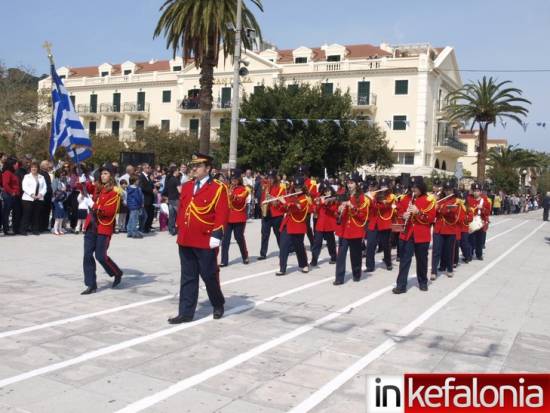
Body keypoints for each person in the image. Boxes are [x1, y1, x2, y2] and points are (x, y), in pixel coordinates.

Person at [168, 152, 229, 324]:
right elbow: (183, 209)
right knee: (188, 276)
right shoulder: (187, 186)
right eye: (193, 165)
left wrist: (217, 234)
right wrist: (179, 229)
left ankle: (218, 302)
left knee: (209, 275)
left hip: (205, 239)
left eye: (198, 166)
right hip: (186, 238)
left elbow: (222, 212)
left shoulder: (218, 187)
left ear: (208, 169)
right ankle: (185, 313)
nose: (194, 168)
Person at [81, 165, 123, 294]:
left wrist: (93, 205)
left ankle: (117, 272)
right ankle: (91, 284)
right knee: (87, 255)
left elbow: (109, 212)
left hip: (103, 227)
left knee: (100, 256)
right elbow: (85, 188)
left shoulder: (115, 192)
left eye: (105, 173)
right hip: (91, 226)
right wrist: (82, 180)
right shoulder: (98, 188)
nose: (103, 176)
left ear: (111, 176)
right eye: (102, 174)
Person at [393, 176, 437, 294]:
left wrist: (419, 212)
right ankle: (401, 285)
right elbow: (397, 212)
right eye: (412, 187)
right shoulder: (404, 199)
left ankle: (423, 282)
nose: (413, 189)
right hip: (407, 234)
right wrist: (403, 215)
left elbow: (431, 218)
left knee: (422, 260)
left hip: (422, 234)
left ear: (421, 187)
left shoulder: (429, 200)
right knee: (405, 260)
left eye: (416, 187)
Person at [333, 172, 370, 285]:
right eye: (348, 183)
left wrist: (352, 207)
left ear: (357, 184)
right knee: (340, 255)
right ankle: (339, 278)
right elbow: (336, 212)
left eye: (352, 183)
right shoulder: (344, 195)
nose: (349, 185)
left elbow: (363, 216)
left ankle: (357, 273)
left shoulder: (363, 198)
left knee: (355, 255)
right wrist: (338, 210)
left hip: (355, 229)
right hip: (344, 230)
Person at [276, 175, 312, 275]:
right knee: (283, 246)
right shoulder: (291, 196)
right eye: (296, 186)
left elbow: (298, 209)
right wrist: (277, 203)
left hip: (298, 225)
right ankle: (282, 268)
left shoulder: (306, 198)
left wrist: (285, 202)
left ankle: (304, 264)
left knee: (299, 246)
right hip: (287, 224)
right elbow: (283, 209)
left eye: (299, 187)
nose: (297, 188)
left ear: (303, 187)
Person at [221, 169, 250, 267]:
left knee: (239, 238)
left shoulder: (244, 189)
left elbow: (240, 200)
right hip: (228, 217)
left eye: (235, 179)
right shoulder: (226, 187)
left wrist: (232, 196)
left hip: (238, 217)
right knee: (225, 240)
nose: (233, 180)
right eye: (232, 178)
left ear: (239, 179)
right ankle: (224, 260)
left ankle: (245, 256)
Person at [365, 177, 396, 272]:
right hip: (373, 223)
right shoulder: (374, 194)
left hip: (384, 224)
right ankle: (370, 266)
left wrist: (381, 202)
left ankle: (388, 262)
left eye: (385, 186)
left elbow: (388, 206)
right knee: (370, 245)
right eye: (381, 186)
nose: (383, 188)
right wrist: (368, 197)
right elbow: (369, 205)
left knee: (386, 245)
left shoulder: (391, 196)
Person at [434, 180, 460, 278]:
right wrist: (436, 205)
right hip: (440, 227)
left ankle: (449, 269)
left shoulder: (456, 200)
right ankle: (435, 270)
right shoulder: (439, 199)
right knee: (437, 250)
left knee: (449, 250)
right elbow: (435, 213)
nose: (448, 192)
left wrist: (441, 208)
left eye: (450, 190)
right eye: (446, 190)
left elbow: (452, 211)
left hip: (450, 227)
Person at [258, 170, 286, 260]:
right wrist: (262, 205)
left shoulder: (281, 187)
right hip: (266, 214)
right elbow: (262, 199)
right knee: (264, 234)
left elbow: (283, 201)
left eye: (271, 178)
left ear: (275, 178)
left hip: (277, 214)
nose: (270, 179)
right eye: (268, 178)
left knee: (278, 234)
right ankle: (263, 253)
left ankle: (282, 251)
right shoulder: (266, 187)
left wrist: (276, 202)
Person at [310, 181, 338, 267]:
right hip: (320, 224)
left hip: (329, 224)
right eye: (325, 191)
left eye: (328, 191)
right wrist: (317, 204)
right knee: (317, 243)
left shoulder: (334, 200)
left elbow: (334, 210)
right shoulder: (320, 198)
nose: (327, 192)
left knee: (331, 243)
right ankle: (314, 260)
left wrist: (324, 203)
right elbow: (315, 211)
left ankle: (334, 257)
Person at [20, 161, 47, 236]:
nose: (34, 168)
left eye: (35, 167)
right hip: (28, 199)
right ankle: (23, 230)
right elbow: (24, 187)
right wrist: (32, 194)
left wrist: (41, 194)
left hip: (39, 198)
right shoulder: (26, 176)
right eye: (32, 167)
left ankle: (35, 230)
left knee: (36, 215)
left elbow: (45, 187)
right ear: (30, 168)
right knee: (27, 215)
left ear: (38, 168)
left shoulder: (41, 177)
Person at [467, 183, 491, 260]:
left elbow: (488, 212)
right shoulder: (469, 199)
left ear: (480, 191)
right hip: (471, 222)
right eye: (474, 191)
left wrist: (482, 208)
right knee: (470, 239)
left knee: (479, 240)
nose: (476, 192)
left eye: (477, 191)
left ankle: (479, 254)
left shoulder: (485, 200)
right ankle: (469, 255)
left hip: (481, 223)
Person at [1, 157, 22, 235]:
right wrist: (11, 192)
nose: (17, 165)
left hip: (15, 196)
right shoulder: (7, 172)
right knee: (6, 213)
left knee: (15, 213)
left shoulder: (13, 172)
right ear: (12, 164)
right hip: (8, 195)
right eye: (16, 164)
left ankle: (15, 228)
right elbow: (5, 184)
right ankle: (6, 229)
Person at [162, 165, 181, 236]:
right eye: (178, 170)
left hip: (170, 199)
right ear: (175, 171)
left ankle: (171, 230)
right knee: (179, 215)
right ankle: (179, 230)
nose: (178, 172)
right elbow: (180, 191)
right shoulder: (176, 180)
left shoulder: (169, 179)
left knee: (171, 216)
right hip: (176, 200)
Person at [138, 163, 155, 233]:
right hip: (145, 198)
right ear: (144, 168)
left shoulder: (148, 176)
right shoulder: (141, 177)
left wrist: (154, 186)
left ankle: (147, 227)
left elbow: (150, 185)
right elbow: (142, 187)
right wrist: (151, 190)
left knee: (150, 213)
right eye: (148, 167)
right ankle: (143, 228)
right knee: (145, 214)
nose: (149, 169)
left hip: (150, 198)